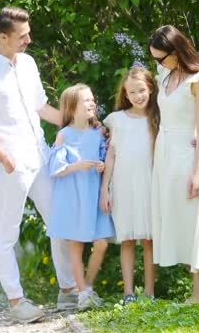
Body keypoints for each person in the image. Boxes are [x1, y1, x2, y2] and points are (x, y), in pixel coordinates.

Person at [0, 7, 77, 322]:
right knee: (7, 233)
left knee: (60, 220)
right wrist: (4, 157)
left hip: (40, 155)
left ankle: (68, 291)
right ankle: (17, 302)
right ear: (3, 37)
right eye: (22, 36)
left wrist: (76, 125)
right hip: (11, 164)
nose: (29, 39)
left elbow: (41, 107)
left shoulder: (28, 63)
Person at [148, 25, 199, 304]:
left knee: (194, 218)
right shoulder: (166, 75)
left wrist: (196, 171)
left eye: (161, 58)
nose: (158, 64)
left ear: (176, 52)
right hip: (164, 154)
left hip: (186, 155)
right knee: (175, 217)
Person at [46, 84, 115, 311]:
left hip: (93, 194)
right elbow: (56, 169)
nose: (92, 103)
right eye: (86, 100)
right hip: (74, 196)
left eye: (92, 99)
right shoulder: (64, 135)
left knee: (102, 243)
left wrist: (102, 164)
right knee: (77, 246)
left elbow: (105, 159)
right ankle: (84, 293)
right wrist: (78, 166)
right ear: (72, 107)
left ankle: (88, 287)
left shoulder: (98, 133)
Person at [99, 67, 159, 304]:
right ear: (125, 94)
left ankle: (150, 292)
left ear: (151, 89)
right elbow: (111, 156)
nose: (138, 96)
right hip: (123, 185)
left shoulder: (157, 119)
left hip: (149, 184)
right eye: (132, 92)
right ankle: (129, 293)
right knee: (127, 239)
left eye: (142, 90)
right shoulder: (117, 120)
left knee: (149, 239)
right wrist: (105, 189)